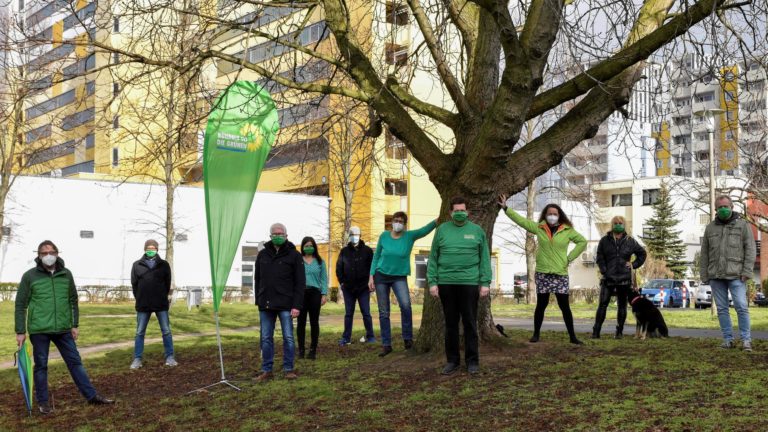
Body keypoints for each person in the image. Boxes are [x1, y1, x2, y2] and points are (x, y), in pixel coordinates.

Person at [15, 240, 114, 414]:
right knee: (41, 366)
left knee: (75, 362)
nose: (48, 256)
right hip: (40, 330)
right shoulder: (30, 276)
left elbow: (73, 300)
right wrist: (20, 331)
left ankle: (91, 396)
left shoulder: (66, 274)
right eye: (44, 253)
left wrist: (75, 325)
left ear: (57, 254)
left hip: (63, 329)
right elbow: (20, 305)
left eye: (51, 252)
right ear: (38, 256)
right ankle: (43, 403)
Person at [499, 195, 587, 345]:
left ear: (559, 215)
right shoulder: (539, 228)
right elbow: (522, 222)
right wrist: (506, 208)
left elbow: (582, 242)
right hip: (543, 273)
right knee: (541, 305)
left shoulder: (568, 230)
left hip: (560, 274)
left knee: (564, 306)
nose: (552, 216)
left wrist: (569, 258)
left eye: (555, 213)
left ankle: (573, 337)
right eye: (549, 213)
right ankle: (536, 334)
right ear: (545, 215)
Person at [427, 197, 491, 375]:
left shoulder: (477, 231)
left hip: (470, 283)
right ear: (450, 213)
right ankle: (452, 361)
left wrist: (485, 282)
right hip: (446, 283)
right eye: (456, 210)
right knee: (450, 324)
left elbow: (485, 258)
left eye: (463, 210)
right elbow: (433, 257)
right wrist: (432, 282)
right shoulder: (442, 230)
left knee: (470, 323)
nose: (460, 213)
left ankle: (472, 362)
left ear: (468, 212)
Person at [369, 211, 437, 356]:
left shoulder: (409, 236)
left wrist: (437, 220)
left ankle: (408, 339)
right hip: (381, 276)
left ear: (404, 225)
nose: (397, 223)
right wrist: (371, 276)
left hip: (399, 277)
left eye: (400, 221)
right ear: (392, 222)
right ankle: (386, 345)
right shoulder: (384, 236)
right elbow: (376, 257)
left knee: (406, 306)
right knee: (383, 311)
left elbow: (424, 230)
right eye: (396, 220)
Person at [701, 195, 756, 352]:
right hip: (716, 276)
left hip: (737, 275)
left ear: (732, 207)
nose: (723, 209)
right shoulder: (710, 228)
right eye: (720, 207)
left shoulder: (743, 225)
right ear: (715, 209)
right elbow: (704, 253)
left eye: (726, 206)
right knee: (722, 309)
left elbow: (750, 249)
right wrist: (704, 274)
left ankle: (746, 340)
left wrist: (747, 271)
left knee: (741, 307)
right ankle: (728, 340)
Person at [254, 223, 305, 381]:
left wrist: (297, 305)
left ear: (286, 235)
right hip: (266, 303)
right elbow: (258, 279)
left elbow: (300, 282)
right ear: (270, 236)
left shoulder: (294, 255)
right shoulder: (262, 255)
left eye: (280, 233)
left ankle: (288, 369)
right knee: (266, 338)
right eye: (275, 233)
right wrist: (259, 300)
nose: (278, 235)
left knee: (288, 337)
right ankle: (266, 370)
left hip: (286, 304)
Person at [592, 216, 647, 339]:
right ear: (612, 224)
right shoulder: (604, 241)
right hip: (608, 278)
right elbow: (599, 256)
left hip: (624, 279)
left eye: (620, 223)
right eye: (615, 223)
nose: (618, 225)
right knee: (602, 305)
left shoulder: (630, 241)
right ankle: (596, 331)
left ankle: (619, 332)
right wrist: (603, 270)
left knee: (622, 306)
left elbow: (642, 254)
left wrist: (633, 264)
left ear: (624, 225)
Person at [130, 239, 177, 369]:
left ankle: (170, 357)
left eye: (153, 248)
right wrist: (139, 297)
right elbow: (134, 285)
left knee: (166, 331)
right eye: (148, 248)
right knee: (140, 332)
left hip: (160, 303)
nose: (150, 250)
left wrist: (162, 295)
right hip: (143, 304)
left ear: (157, 249)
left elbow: (167, 283)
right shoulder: (136, 265)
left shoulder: (164, 265)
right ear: (144, 249)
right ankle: (137, 359)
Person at [336, 226, 375, 346]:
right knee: (348, 313)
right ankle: (346, 337)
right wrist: (342, 283)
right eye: (352, 234)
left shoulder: (368, 251)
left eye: (357, 234)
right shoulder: (344, 251)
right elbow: (339, 268)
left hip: (363, 288)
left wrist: (371, 282)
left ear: (360, 235)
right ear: (349, 236)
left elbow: (372, 268)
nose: (354, 236)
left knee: (366, 312)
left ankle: (371, 336)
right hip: (348, 288)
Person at [298, 236, 328, 360]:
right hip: (301, 294)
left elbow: (324, 279)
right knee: (301, 323)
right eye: (306, 246)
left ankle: (313, 350)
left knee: (314, 322)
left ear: (314, 246)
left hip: (315, 293)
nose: (309, 248)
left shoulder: (320, 262)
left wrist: (324, 294)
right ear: (302, 247)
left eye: (311, 245)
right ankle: (301, 350)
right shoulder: (298, 261)